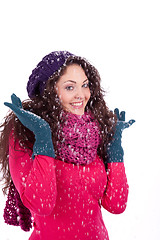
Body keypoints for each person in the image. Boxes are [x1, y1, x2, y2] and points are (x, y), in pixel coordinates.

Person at [0, 51, 135, 240]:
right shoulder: (26, 133)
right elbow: (41, 204)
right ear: (49, 91)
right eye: (70, 87)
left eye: (85, 85)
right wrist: (44, 139)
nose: (82, 95)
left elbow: (116, 204)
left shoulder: (93, 132)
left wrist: (115, 150)